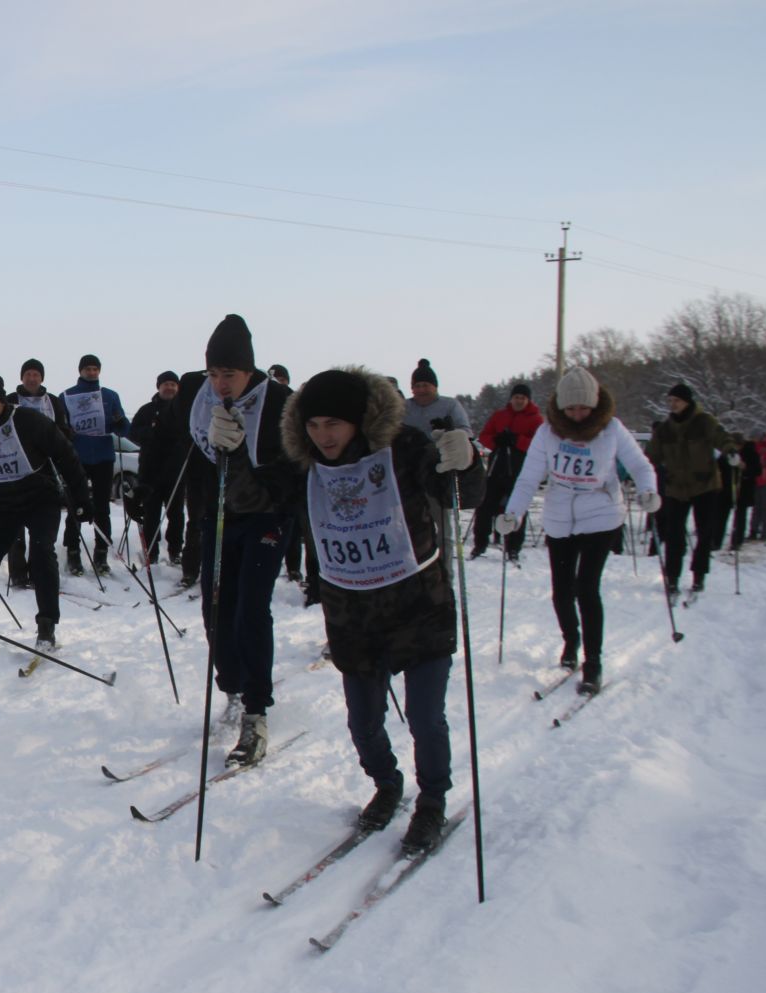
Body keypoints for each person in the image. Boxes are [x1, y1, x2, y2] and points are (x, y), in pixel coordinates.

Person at [280, 366, 483, 853]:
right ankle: (387, 782)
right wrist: (223, 455)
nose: (322, 436)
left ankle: (432, 800)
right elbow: (260, 496)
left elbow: (461, 495)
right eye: (313, 425)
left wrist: (467, 464)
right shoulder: (304, 466)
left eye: (333, 424)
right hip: (353, 616)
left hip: (419, 606)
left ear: (356, 420)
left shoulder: (406, 447)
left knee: (425, 717)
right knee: (363, 723)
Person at [176, 314, 299, 765]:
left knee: (250, 608)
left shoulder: (282, 402)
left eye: (229, 374)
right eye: (213, 374)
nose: (220, 384)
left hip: (269, 516)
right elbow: (180, 448)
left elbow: (298, 468)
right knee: (216, 605)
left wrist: (245, 452)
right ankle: (231, 684)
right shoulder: (201, 400)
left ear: (249, 370)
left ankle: (257, 708)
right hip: (221, 516)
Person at [494, 367, 658, 696]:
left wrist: (648, 490)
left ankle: (593, 661)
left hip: (601, 516)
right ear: (561, 407)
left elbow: (640, 464)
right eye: (571, 408)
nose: (578, 414)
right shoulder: (547, 432)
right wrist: (513, 513)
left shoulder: (610, 429)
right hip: (559, 518)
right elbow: (528, 478)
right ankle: (571, 641)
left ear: (595, 405)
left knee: (587, 588)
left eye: (584, 408)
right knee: (561, 591)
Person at [0, 371, 90, 649]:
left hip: (41, 498)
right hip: (3, 504)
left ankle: (46, 628)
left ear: (2, 402)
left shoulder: (28, 421)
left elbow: (66, 456)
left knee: (41, 553)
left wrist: (82, 500)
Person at [646, 382, 732, 599]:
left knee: (704, 533)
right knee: (674, 534)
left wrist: (731, 452)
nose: (673, 405)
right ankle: (672, 577)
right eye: (671, 401)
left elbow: (721, 437)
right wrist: (638, 474)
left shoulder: (704, 422)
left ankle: (698, 576)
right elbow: (651, 456)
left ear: (687, 402)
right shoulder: (665, 429)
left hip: (704, 485)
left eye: (677, 400)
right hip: (676, 487)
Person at [60, 354, 131, 576]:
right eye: (87, 369)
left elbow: (125, 430)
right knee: (76, 505)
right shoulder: (67, 395)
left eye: (95, 369)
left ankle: (101, 554)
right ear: (80, 371)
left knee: (102, 507)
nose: (91, 373)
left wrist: (120, 422)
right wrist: (67, 433)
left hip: (103, 456)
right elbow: (60, 428)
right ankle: (73, 552)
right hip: (78, 458)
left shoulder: (109, 396)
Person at [4, 359, 71, 588]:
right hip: (16, 469)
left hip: (46, 467)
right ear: (22, 377)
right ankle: (17, 572)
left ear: (41, 378)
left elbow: (63, 430)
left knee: (40, 525)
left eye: (36, 374)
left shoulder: (52, 401)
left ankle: (37, 570)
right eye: (28, 374)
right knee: (14, 524)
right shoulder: (11, 401)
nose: (32, 378)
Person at [471, 382, 543, 562]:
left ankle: (513, 547)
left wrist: (517, 440)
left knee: (516, 509)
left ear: (528, 400)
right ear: (511, 399)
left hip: (520, 470)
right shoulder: (500, 415)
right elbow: (484, 436)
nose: (519, 401)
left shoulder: (536, 419)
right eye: (516, 397)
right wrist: (497, 440)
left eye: (523, 398)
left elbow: (538, 445)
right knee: (485, 507)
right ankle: (480, 544)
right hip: (497, 468)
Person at [127, 370, 187, 569]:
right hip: (150, 471)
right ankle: (151, 552)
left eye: (173, 384)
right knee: (151, 514)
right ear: (159, 387)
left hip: (176, 472)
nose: (169, 387)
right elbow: (132, 433)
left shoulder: (183, 410)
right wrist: (151, 433)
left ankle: (175, 551)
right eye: (165, 384)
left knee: (176, 514)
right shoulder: (147, 410)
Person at [399, 359, 472, 440]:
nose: (421, 390)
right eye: (417, 386)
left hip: (443, 450)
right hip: (410, 450)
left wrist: (449, 431)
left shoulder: (450, 405)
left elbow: (466, 433)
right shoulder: (403, 407)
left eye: (425, 385)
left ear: (435, 387)